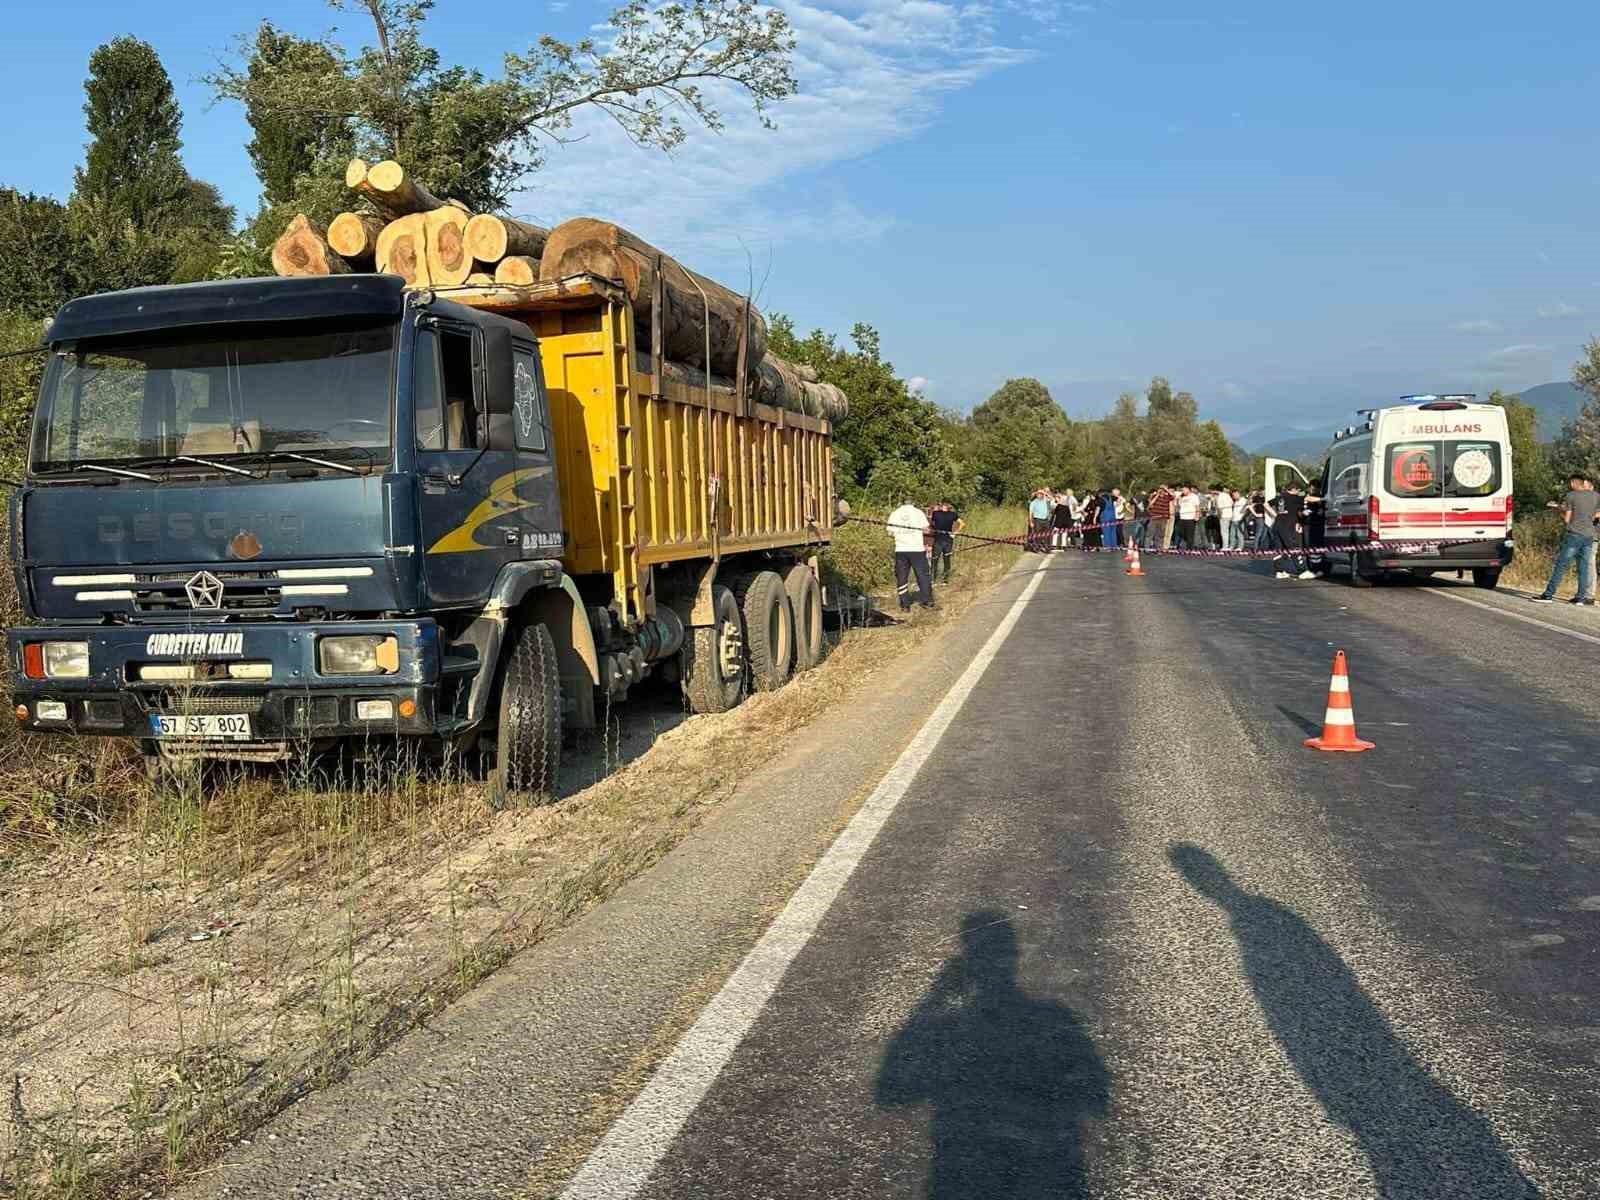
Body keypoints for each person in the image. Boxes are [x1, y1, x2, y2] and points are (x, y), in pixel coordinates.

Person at [1532, 473, 1599, 605]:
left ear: (1574, 483)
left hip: (1574, 534)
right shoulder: (1596, 496)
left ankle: (1548, 595)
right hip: (1590, 536)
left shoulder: (1571, 496)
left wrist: (1558, 510)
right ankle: (1580, 598)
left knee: (1561, 565)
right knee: (1584, 567)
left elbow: (1567, 519)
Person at [887, 496, 934, 610]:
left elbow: (889, 532)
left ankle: (905, 605)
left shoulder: (895, 513)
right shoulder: (918, 513)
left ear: (903, 503)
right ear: (913, 503)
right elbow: (926, 530)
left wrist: (901, 534)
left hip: (901, 549)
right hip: (917, 549)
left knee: (901, 577)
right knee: (922, 575)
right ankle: (927, 602)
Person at [1272, 482, 1315, 580]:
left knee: (1279, 549)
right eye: (1298, 491)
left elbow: (1266, 504)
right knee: (1294, 547)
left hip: (1277, 525)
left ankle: (1279, 571)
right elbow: (1308, 498)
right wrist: (1324, 498)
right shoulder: (1294, 498)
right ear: (1294, 489)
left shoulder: (1280, 497)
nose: (1299, 493)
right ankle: (1302, 571)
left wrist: (1275, 514)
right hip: (1287, 527)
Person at [929, 501, 962, 584]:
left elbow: (932, 524)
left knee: (935, 559)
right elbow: (962, 523)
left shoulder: (936, 513)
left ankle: (933, 580)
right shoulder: (953, 514)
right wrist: (955, 533)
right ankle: (945, 580)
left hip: (938, 540)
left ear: (942, 506)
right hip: (949, 540)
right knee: (947, 559)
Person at [1147, 483, 1174, 551]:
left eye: (1163, 489)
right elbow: (1150, 504)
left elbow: (1173, 496)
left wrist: (1166, 489)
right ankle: (1147, 548)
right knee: (1150, 533)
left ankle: (1158, 548)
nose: (1162, 490)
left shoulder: (1167, 497)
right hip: (1154, 517)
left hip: (1163, 518)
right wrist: (1157, 495)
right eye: (1161, 489)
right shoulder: (1154, 496)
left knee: (1160, 534)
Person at [1027, 489, 1053, 554]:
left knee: (1047, 535)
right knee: (1037, 535)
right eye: (1038, 494)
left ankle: (1048, 549)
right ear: (1036, 495)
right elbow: (1030, 513)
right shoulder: (1033, 503)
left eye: (1041, 494)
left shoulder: (1045, 500)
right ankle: (1036, 549)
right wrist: (1031, 522)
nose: (1040, 495)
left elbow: (1052, 498)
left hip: (1046, 520)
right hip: (1037, 520)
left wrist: (1045, 493)